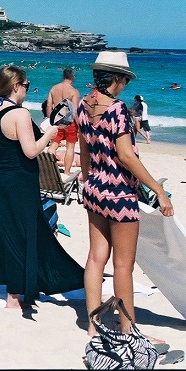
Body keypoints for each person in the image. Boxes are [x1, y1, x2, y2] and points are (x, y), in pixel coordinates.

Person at [78, 52, 172, 337]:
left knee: (96, 257)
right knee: (122, 265)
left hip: (94, 188)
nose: (125, 87)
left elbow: (85, 151)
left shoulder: (83, 105)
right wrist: (158, 191)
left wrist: (88, 179)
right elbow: (127, 156)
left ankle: (93, 327)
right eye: (125, 81)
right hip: (119, 194)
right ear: (117, 78)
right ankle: (128, 329)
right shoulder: (117, 109)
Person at [0, 65, 83, 308]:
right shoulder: (19, 114)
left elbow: (3, 140)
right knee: (21, 234)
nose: (28, 89)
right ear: (15, 86)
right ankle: (14, 298)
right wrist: (50, 134)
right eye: (26, 85)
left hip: (1, 177)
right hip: (20, 180)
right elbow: (31, 150)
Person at [46, 68, 81, 175]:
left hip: (57, 121)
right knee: (70, 148)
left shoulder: (54, 88)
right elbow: (74, 110)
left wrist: (50, 120)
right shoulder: (73, 91)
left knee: (54, 144)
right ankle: (66, 171)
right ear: (73, 77)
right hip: (69, 122)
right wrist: (79, 126)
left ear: (63, 76)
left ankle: (49, 168)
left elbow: (49, 105)